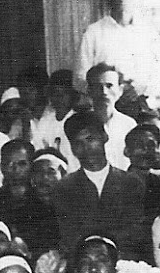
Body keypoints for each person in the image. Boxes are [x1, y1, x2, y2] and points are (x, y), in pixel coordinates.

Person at [51, 112, 151, 261]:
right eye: (78, 143)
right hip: (83, 264)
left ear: (104, 136)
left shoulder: (131, 183)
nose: (86, 148)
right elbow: (69, 236)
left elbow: (134, 233)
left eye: (90, 139)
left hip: (124, 263)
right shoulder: (64, 188)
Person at [75, 0, 160, 100]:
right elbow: (79, 79)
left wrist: (141, 89)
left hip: (141, 104)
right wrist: (103, 91)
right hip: (106, 105)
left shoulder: (148, 32)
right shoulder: (93, 33)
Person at [83, 63, 135, 170]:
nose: (104, 92)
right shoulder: (79, 124)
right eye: (97, 86)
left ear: (120, 90)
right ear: (89, 91)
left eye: (109, 86)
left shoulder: (129, 125)